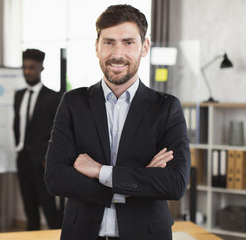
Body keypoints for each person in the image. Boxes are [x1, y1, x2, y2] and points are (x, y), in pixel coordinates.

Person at [45, 4, 190, 240]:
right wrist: (134, 185)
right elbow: (56, 177)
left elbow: (174, 183)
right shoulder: (73, 103)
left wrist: (99, 171)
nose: (117, 53)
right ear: (97, 46)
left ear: (145, 47)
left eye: (128, 42)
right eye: (109, 42)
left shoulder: (167, 108)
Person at [13, 49, 63, 230]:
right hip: (23, 159)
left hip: (43, 162)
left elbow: (57, 132)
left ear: (41, 68)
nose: (27, 71)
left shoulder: (53, 97)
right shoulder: (18, 95)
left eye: (31, 68)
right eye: (24, 67)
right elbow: (18, 125)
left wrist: (48, 158)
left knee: (50, 210)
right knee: (29, 210)